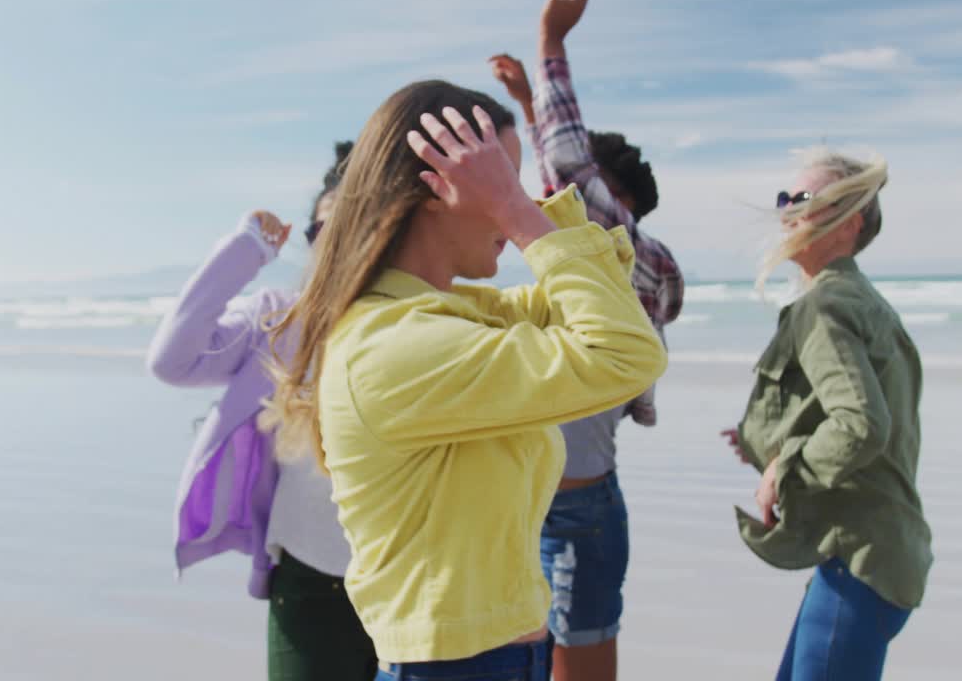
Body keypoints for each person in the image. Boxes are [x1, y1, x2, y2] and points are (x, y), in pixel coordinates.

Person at [264, 80, 667, 681]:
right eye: (499, 175)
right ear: (434, 186)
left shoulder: (452, 316)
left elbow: (606, 299)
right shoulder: (390, 345)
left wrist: (527, 209)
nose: (513, 196)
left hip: (504, 659)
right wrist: (522, 215)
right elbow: (624, 353)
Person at [489, 0, 683, 681]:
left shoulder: (635, 255)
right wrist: (525, 108)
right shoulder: (631, 264)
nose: (560, 198)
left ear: (612, 196)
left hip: (574, 507)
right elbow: (561, 173)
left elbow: (568, 164)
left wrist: (551, 45)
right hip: (540, 497)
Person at [147, 142, 377, 681]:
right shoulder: (276, 319)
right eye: (323, 230)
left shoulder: (414, 322)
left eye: (357, 225)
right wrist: (245, 250)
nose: (338, 242)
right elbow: (172, 360)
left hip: (406, 580)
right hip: (309, 575)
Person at [722, 150, 932, 680]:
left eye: (805, 198)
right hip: (871, 553)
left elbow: (862, 426)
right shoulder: (859, 300)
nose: (788, 208)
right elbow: (859, 413)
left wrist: (783, 470)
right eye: (784, 198)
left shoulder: (827, 306)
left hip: (860, 558)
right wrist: (762, 439)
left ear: (850, 223)